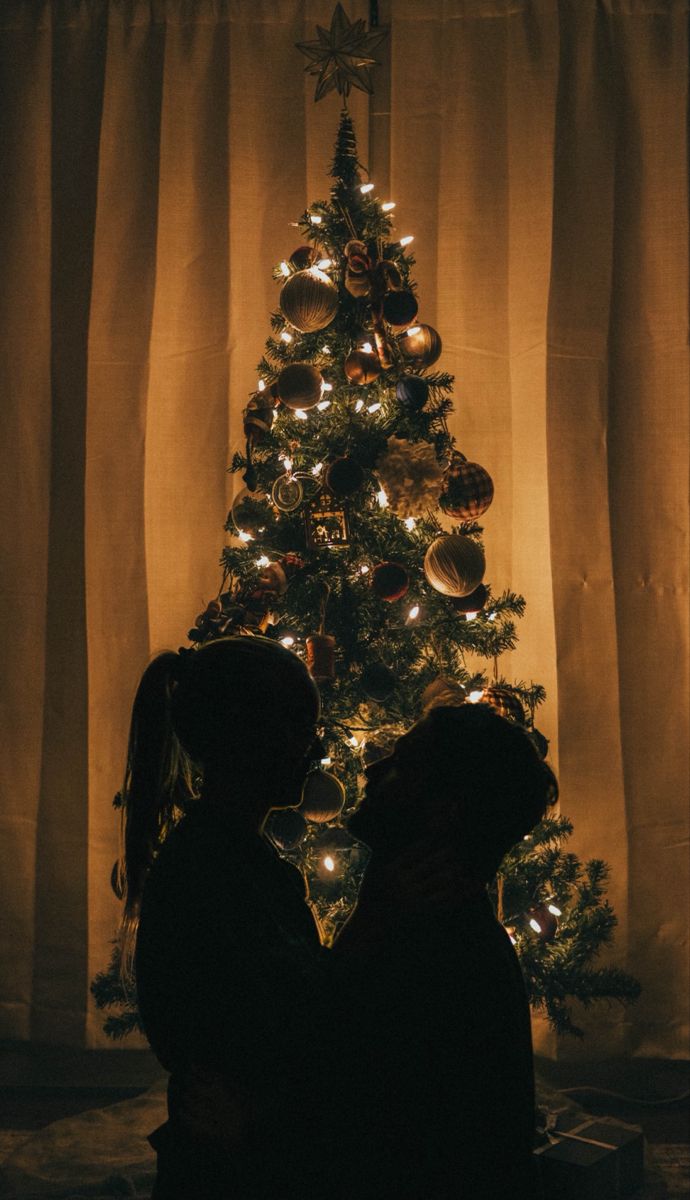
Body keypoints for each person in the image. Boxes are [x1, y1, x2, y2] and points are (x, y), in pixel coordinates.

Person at [118, 635, 455, 1199]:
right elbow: (296, 1020)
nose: (315, 751)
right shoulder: (212, 872)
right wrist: (373, 918)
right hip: (233, 1158)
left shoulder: (231, 856)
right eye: (303, 730)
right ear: (251, 738)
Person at [337, 701, 558, 1200]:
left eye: (401, 762)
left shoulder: (432, 957)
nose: (372, 769)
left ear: (443, 809)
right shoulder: (428, 921)